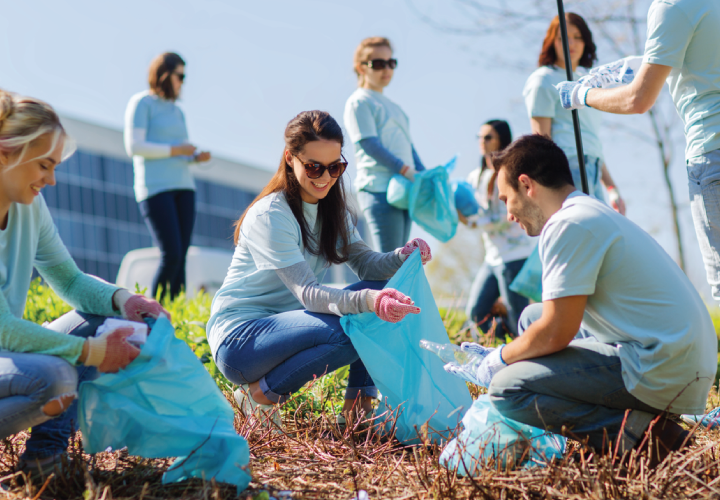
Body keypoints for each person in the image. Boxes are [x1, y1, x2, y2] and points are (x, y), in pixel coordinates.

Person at [445, 135, 716, 464]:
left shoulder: (568, 224)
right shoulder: (586, 211)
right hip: (677, 356)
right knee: (531, 317)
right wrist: (513, 354)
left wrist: (499, 358)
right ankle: (630, 424)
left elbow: (555, 333)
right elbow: (547, 324)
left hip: (663, 366)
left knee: (507, 389)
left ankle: (650, 437)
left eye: (506, 199)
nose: (509, 214)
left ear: (526, 184)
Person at [206, 110, 431, 424]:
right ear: (290, 158)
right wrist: (368, 303)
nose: (325, 178)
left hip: (291, 328)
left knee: (381, 291)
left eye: (335, 166)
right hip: (241, 342)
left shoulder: (333, 212)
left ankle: (358, 411)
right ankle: (258, 395)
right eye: (313, 167)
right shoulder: (272, 215)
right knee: (353, 326)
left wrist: (402, 256)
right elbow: (309, 294)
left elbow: (367, 265)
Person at [0, 90, 169, 473]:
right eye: (44, 165)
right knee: (56, 375)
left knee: (110, 323)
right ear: (5, 151)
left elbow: (70, 280)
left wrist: (125, 300)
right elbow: (3, 329)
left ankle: (44, 462)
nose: (52, 179)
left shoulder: (31, 208)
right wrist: (92, 352)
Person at [557, 0, 720, 302]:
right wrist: (644, 63)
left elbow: (638, 100)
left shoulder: (670, 5)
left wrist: (582, 94)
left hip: (712, 151)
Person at [124, 52, 211, 301]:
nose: (182, 82)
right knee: (171, 254)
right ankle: (154, 313)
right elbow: (135, 146)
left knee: (181, 255)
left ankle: (176, 315)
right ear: (164, 75)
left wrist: (194, 156)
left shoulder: (177, 111)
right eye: (180, 76)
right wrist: (176, 150)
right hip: (155, 189)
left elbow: (181, 150)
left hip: (184, 186)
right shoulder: (141, 103)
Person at [523, 13, 625, 214]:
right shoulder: (543, 80)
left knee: (603, 237)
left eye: (578, 37)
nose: (571, 43)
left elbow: (590, 141)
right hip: (568, 169)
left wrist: (612, 188)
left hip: (592, 168)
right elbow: (541, 142)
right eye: (563, 38)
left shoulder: (587, 83)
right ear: (552, 42)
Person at [344, 37, 427, 252]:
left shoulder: (396, 107)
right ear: (361, 67)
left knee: (400, 262)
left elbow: (409, 147)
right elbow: (368, 144)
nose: (387, 69)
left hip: (404, 189)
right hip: (378, 189)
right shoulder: (359, 101)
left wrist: (424, 175)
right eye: (379, 63)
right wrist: (405, 169)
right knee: (388, 263)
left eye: (391, 63)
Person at [464, 120, 534, 337]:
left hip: (514, 254)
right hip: (492, 257)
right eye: (479, 137)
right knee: (476, 312)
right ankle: (507, 349)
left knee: (519, 318)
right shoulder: (475, 176)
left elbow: (508, 214)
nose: (482, 142)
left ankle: (528, 357)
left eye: (488, 137)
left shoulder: (510, 172)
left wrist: (475, 222)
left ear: (500, 140)